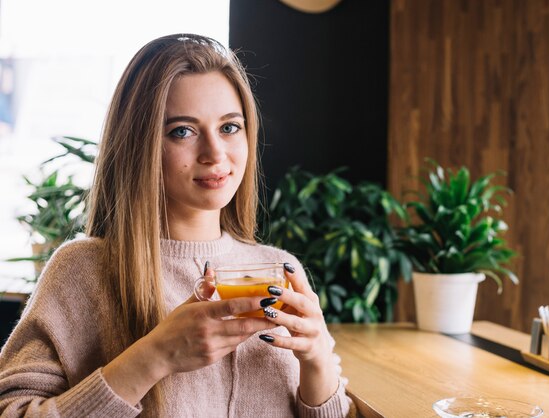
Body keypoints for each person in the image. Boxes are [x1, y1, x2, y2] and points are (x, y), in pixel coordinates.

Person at [0, 34, 351, 417]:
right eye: (182, 131)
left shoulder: (280, 269)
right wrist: (155, 356)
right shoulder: (82, 271)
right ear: (140, 144)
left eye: (230, 127)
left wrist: (317, 361)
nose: (215, 154)